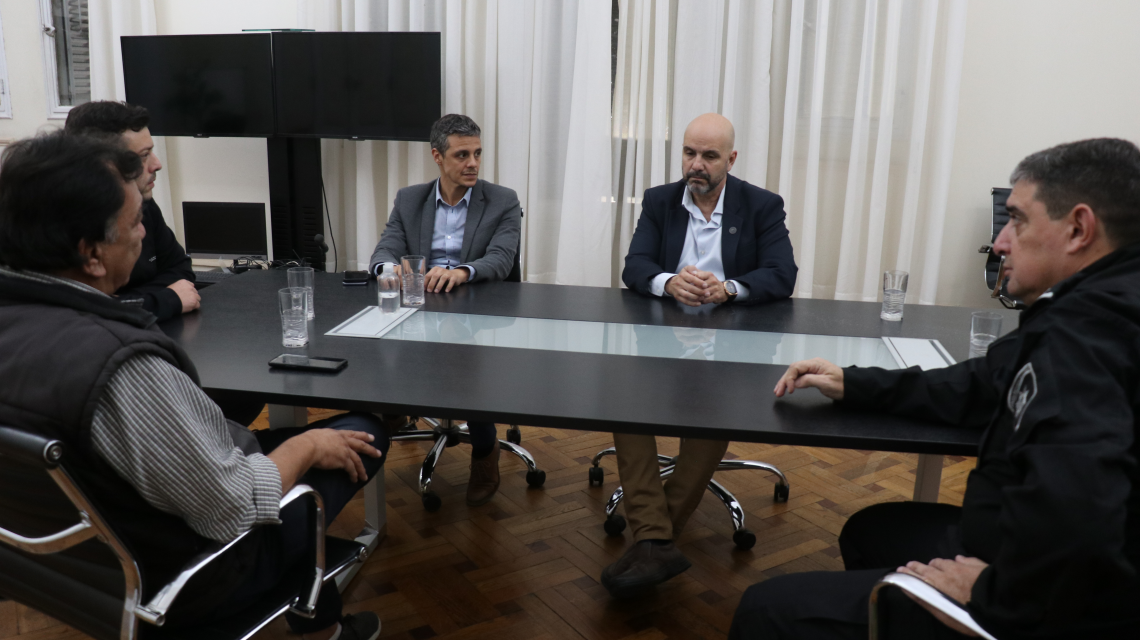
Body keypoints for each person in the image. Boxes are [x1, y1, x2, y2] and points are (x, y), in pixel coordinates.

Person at [731, 138, 1140, 639]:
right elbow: (980, 385)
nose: (1000, 243)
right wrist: (853, 382)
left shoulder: (1089, 338)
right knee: (872, 531)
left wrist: (993, 594)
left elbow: (1083, 516)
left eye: (1016, 220)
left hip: (1050, 602)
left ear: (1078, 229)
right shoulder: (1095, 305)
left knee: (765, 610)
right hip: (1032, 556)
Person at [0, 131, 387, 640]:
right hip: (192, 576)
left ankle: (326, 629)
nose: (144, 233)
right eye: (135, 222)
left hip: (59, 569)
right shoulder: (121, 369)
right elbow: (236, 508)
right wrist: (310, 443)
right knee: (358, 435)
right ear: (91, 254)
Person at [603, 113, 798, 598]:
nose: (696, 164)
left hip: (732, 344)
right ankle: (656, 541)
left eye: (709, 156)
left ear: (731, 159)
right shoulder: (660, 201)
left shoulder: (761, 205)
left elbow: (782, 274)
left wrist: (729, 288)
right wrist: (668, 281)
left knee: (715, 410)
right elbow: (635, 266)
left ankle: (652, 538)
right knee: (625, 408)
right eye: (690, 153)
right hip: (664, 342)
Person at [368, 113, 521, 506]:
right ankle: (391, 412)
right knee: (372, 341)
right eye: (462, 155)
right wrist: (391, 270)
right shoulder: (410, 198)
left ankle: (485, 448)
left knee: (466, 361)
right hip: (419, 301)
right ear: (437, 156)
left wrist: (461, 272)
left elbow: (501, 259)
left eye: (477, 154)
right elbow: (385, 248)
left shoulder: (502, 200)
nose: (473, 163)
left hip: (478, 305)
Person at [64, 100, 199, 322]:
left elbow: (180, 269)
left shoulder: (143, 203)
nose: (157, 164)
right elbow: (80, 310)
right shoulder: (62, 220)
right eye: (143, 155)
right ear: (102, 163)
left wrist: (125, 302)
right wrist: (163, 300)